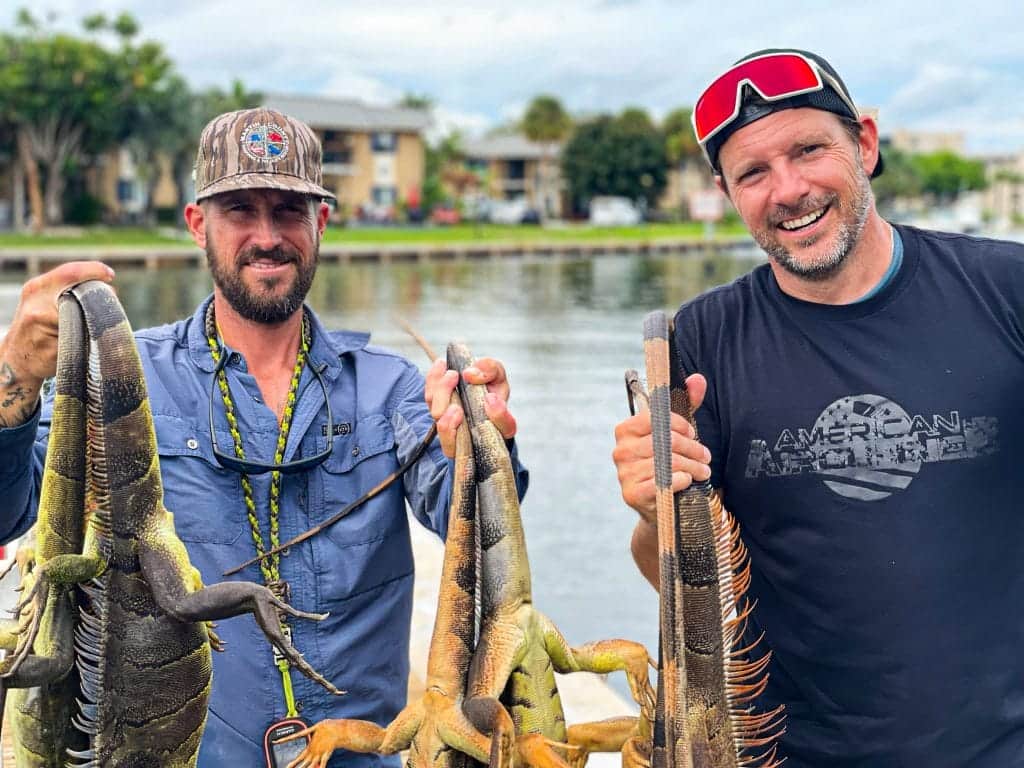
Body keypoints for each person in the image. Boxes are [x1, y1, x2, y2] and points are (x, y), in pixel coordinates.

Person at [0, 107, 526, 767]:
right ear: (198, 225)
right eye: (241, 210)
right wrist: (12, 377)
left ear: (322, 224)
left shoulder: (391, 387)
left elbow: (469, 526)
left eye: (289, 211)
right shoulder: (122, 382)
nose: (268, 236)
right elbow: (11, 510)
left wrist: (483, 445)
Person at [613, 49, 1024, 767]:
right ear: (726, 192)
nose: (789, 189)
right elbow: (671, 578)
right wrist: (656, 513)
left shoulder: (1005, 290)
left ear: (864, 143)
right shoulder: (701, 340)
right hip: (792, 752)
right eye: (754, 173)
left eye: (809, 150)